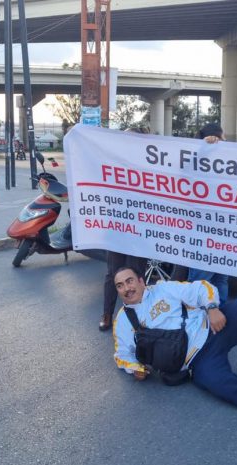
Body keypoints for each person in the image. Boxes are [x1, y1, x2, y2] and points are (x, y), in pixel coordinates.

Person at [112, 267, 237, 433]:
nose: (126, 288)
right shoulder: (123, 319)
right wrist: (135, 368)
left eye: (129, 281)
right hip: (197, 360)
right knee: (225, 386)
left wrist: (212, 308)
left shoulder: (163, 288)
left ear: (141, 281)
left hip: (213, 329)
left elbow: (201, 287)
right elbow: (122, 355)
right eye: (120, 285)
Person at [99, 127, 151, 332]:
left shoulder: (152, 163)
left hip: (141, 227)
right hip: (117, 226)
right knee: (113, 272)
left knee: (137, 272)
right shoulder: (114, 161)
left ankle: (140, 314)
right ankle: (107, 313)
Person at [186, 123, 229, 304]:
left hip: (225, 232)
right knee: (200, 281)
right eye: (221, 137)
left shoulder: (228, 159)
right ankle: (197, 323)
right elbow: (185, 171)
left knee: (221, 279)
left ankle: (221, 318)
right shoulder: (195, 159)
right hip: (203, 233)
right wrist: (203, 148)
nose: (224, 141)